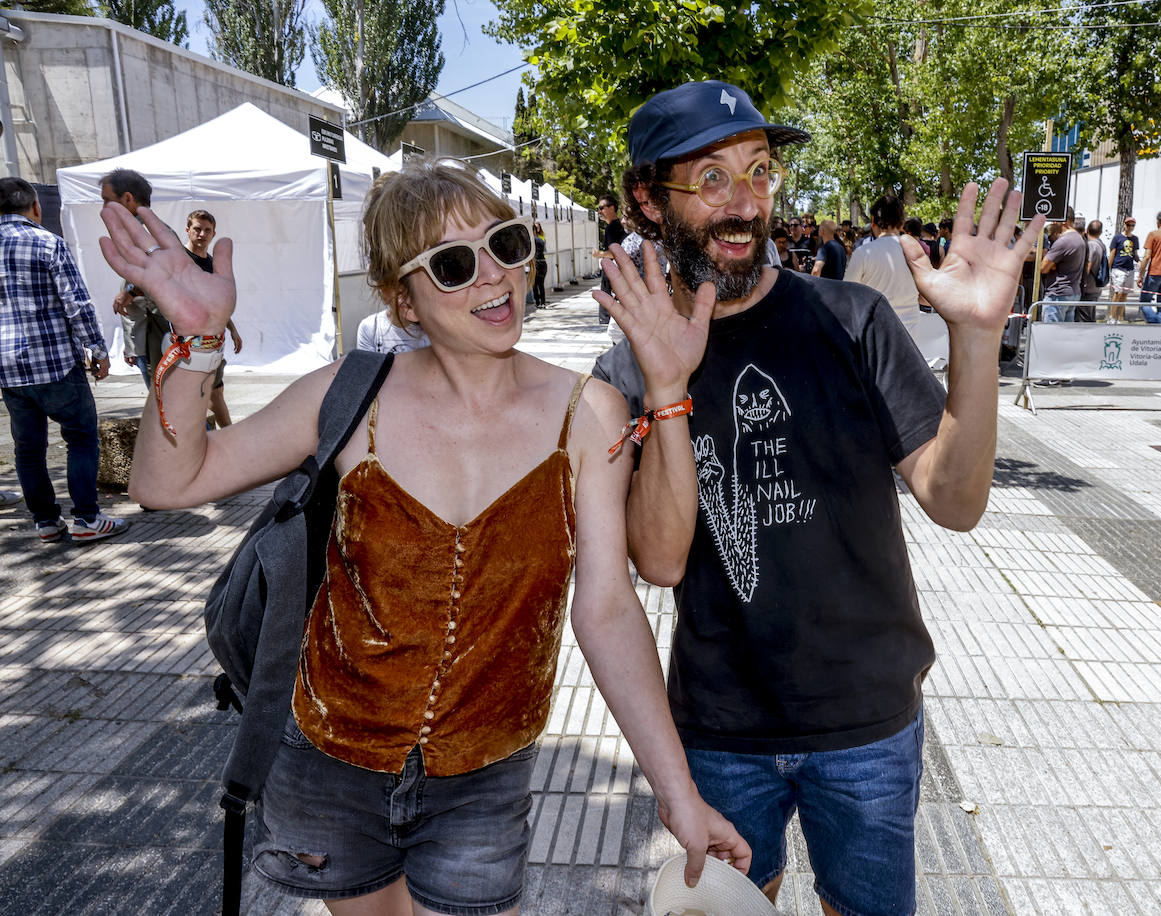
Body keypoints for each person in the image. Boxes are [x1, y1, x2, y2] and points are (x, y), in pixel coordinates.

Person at [97, 160, 748, 914]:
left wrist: (677, 794)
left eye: (506, 244)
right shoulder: (352, 393)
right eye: (453, 264)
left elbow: (605, 610)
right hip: (329, 761)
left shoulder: (590, 412)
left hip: (485, 774)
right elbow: (167, 483)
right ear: (403, 300)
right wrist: (197, 341)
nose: (495, 277)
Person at [592, 80, 1041, 916]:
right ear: (648, 202)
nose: (745, 203)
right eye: (712, 178)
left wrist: (976, 339)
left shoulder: (854, 319)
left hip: (867, 719)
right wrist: (666, 386)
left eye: (759, 173)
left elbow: (954, 499)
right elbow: (656, 559)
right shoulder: (629, 366)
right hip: (721, 727)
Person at [0, 176, 130, 543]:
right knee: (81, 439)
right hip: (55, 363)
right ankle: (87, 519)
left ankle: (45, 522)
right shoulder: (47, 242)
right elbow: (77, 304)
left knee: (28, 449)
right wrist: (99, 350)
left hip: (9, 371)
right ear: (36, 207)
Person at [103, 168, 169, 387]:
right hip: (146, 334)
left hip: (158, 334)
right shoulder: (137, 233)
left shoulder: (147, 233)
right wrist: (131, 344)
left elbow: (161, 278)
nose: (104, 209)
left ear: (128, 198)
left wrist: (130, 292)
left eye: (107, 201)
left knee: (167, 406)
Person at [183, 210, 243, 426]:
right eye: (197, 229)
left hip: (211, 339)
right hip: (186, 342)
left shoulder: (212, 264)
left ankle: (227, 441)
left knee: (214, 392)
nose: (202, 234)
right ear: (188, 230)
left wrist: (232, 328)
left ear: (213, 234)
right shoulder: (179, 260)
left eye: (207, 230)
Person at [844, 194, 920, 332]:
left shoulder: (863, 253)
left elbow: (847, 295)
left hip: (876, 335)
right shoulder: (915, 252)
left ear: (873, 222)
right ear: (902, 223)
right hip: (911, 336)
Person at [1039, 207, 1085, 322]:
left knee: (1051, 336)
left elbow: (1043, 268)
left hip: (1058, 295)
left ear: (1064, 221)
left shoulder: (1063, 241)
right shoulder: (1080, 239)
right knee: (1065, 337)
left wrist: (1049, 261)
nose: (1053, 223)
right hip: (1072, 293)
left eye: (1055, 219)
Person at [593, 193, 628, 324]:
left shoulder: (612, 227)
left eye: (602, 208)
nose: (599, 211)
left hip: (612, 272)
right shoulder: (617, 226)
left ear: (612, 208)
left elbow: (615, 252)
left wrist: (600, 254)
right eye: (598, 208)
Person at [1107, 216, 1140, 323]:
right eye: (1128, 225)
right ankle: (1111, 317)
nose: (1130, 227)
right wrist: (1108, 269)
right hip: (1118, 268)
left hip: (1129, 269)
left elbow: (1135, 254)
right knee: (1118, 292)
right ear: (1124, 225)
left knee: (1125, 294)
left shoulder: (1135, 239)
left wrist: (1139, 262)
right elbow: (1112, 253)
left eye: (1132, 225)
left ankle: (1119, 318)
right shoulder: (1117, 238)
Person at [1077, 219, 1108, 322]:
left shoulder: (1091, 245)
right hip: (1095, 287)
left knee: (1084, 319)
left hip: (1088, 288)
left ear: (1087, 230)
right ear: (1100, 232)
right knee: (1090, 317)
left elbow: (1087, 266)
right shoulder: (1101, 245)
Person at [530, 219, 548, 308]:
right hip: (543, 263)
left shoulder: (530, 241)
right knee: (541, 284)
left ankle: (537, 302)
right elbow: (543, 251)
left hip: (535, 263)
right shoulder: (541, 240)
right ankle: (543, 302)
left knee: (534, 285)